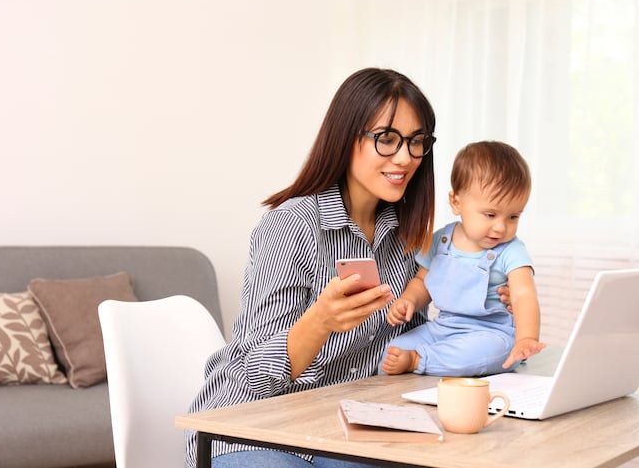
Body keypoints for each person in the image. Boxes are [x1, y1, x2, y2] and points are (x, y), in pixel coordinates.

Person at [185, 67, 439, 468]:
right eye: (387, 139)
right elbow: (252, 373)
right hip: (251, 428)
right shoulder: (291, 225)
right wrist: (319, 321)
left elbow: (411, 348)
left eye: (416, 141)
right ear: (345, 137)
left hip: (344, 429)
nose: (405, 157)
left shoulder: (407, 238)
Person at [381, 140, 545, 377]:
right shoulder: (441, 240)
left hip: (491, 333)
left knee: (493, 351)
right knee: (392, 350)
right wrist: (408, 301)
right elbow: (422, 281)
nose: (500, 227)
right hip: (443, 328)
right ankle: (418, 360)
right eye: (490, 214)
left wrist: (526, 338)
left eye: (513, 217)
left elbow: (524, 295)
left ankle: (420, 360)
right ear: (456, 202)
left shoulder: (511, 250)